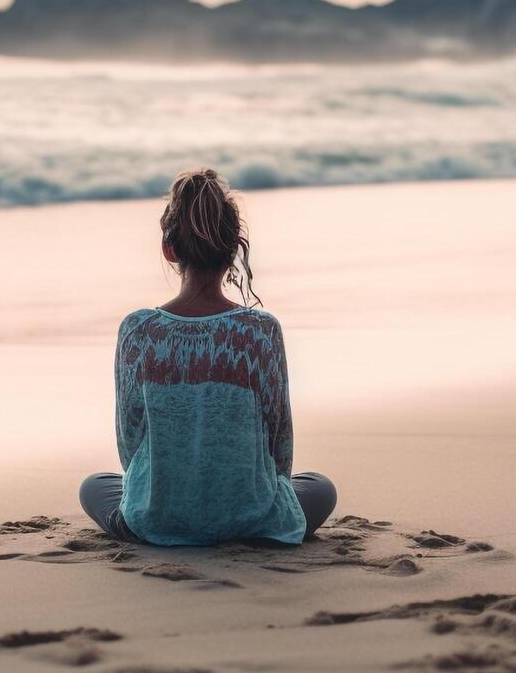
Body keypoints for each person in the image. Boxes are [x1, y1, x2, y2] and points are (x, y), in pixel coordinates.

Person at [79, 168, 336, 545]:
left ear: (169, 249)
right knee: (319, 487)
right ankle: (255, 525)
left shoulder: (138, 329)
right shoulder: (259, 330)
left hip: (160, 519)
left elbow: (130, 446)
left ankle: (168, 526)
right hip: (250, 518)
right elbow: (280, 447)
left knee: (95, 486)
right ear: (233, 249)